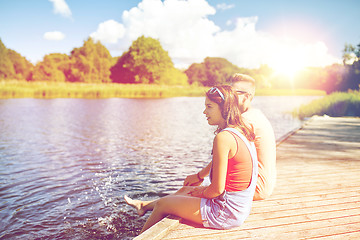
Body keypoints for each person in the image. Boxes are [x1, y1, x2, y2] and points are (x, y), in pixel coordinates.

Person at [124, 85, 258, 234]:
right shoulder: (242, 128)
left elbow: (217, 190)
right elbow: (225, 163)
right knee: (185, 190)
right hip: (239, 207)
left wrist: (201, 192)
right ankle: (144, 206)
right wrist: (199, 180)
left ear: (225, 108)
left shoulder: (223, 138)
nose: (204, 112)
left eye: (209, 107)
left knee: (164, 204)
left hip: (226, 213)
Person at [184, 74, 276, 200]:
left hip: (254, 187)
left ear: (246, 97)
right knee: (184, 193)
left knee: (187, 194)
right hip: (258, 184)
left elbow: (222, 156)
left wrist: (200, 176)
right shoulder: (255, 114)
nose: (229, 96)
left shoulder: (245, 121)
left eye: (234, 92)